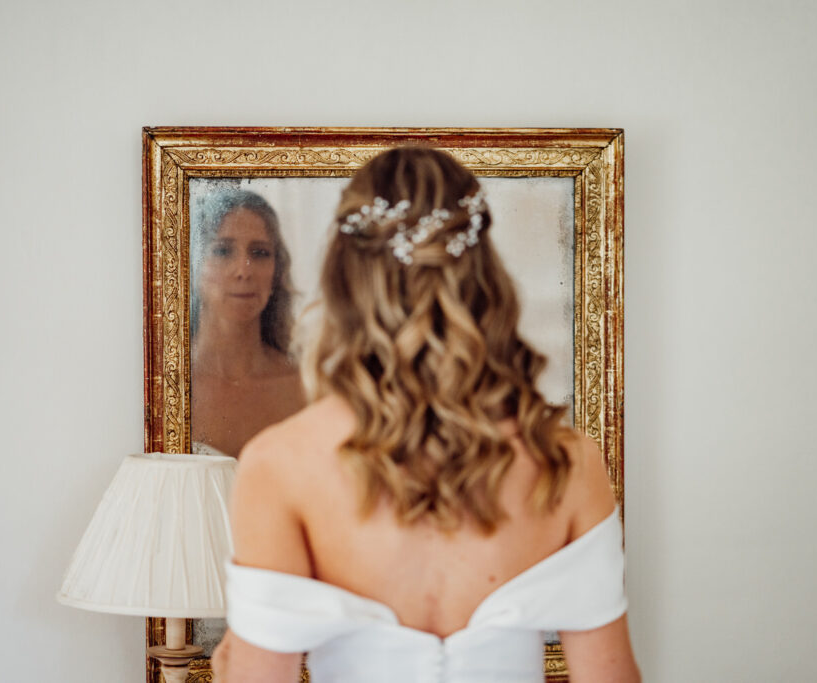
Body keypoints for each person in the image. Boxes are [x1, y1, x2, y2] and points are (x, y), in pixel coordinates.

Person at [212, 148, 640, 683]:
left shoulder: (278, 465)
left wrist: (231, 659)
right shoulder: (565, 459)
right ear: (482, 275)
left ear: (344, 280)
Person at [189, 187, 304, 458]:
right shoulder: (166, 383)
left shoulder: (304, 385)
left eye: (260, 253)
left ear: (277, 271)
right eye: (223, 251)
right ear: (192, 264)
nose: (244, 270)